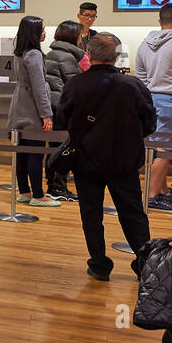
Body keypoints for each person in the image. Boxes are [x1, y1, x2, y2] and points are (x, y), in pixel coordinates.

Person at [59, 33, 155, 281]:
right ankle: (144, 262)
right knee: (132, 213)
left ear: (88, 55)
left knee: (91, 213)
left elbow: (63, 121)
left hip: (85, 159)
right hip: (124, 160)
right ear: (116, 56)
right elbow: (149, 124)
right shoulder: (133, 85)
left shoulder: (75, 85)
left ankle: (99, 264)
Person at [8, 15, 57, 207]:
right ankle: (38, 195)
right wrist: (46, 114)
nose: (45, 33)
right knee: (36, 151)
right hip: (32, 109)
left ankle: (25, 191)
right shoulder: (35, 54)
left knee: (22, 151)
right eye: (42, 30)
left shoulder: (20, 52)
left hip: (19, 106)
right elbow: (39, 87)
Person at [135, 2, 172, 210]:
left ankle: (162, 190)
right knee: (165, 149)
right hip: (170, 100)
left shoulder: (145, 44)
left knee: (157, 146)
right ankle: (151, 195)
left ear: (159, 21)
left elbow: (139, 78)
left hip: (150, 99)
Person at [44, 20, 86, 200]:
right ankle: (57, 187)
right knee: (64, 149)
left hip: (54, 106)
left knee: (55, 148)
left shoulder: (53, 53)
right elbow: (74, 86)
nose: (81, 39)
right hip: (64, 109)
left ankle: (52, 185)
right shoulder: (67, 57)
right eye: (79, 35)